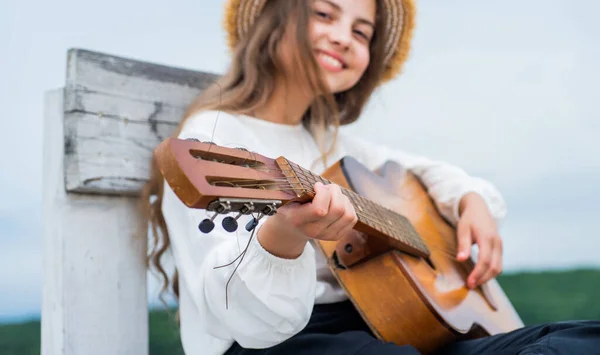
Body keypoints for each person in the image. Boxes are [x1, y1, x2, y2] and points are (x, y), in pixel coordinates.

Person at [141, 0, 600, 354]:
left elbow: (426, 171)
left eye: (362, 33)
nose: (343, 37)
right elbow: (243, 317)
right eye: (324, 13)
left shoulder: (336, 145)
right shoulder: (218, 137)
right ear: (272, 18)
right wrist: (282, 234)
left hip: (382, 328)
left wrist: (469, 201)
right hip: (276, 340)